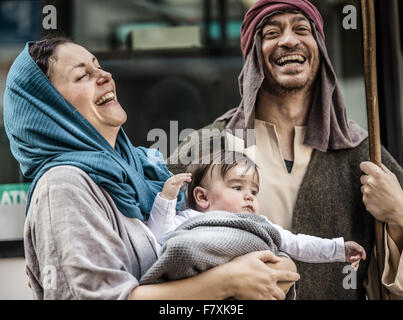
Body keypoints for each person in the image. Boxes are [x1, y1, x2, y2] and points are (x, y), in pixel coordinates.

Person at [3, 37, 299, 300]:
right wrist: (226, 282)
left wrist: (275, 260)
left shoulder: (144, 169)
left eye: (98, 66)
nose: (104, 75)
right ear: (49, 108)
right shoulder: (64, 187)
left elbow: (212, 231)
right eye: (83, 75)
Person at [168, 0, 403, 299]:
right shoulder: (207, 146)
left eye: (302, 29)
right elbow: (154, 255)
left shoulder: (359, 151)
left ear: (319, 48)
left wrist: (398, 214)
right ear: (253, 55)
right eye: (272, 32)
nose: (289, 40)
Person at [147, 151, 366, 275]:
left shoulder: (260, 225)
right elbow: (158, 241)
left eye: (254, 191)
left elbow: (297, 244)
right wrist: (166, 199)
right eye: (237, 188)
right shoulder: (191, 220)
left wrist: (337, 249)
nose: (250, 196)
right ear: (203, 197)